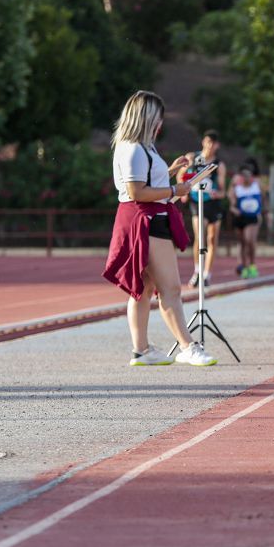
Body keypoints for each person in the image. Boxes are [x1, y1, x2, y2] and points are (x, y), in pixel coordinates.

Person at [102, 90, 217, 367]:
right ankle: (188, 346)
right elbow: (137, 191)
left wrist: (169, 172)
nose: (161, 123)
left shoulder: (139, 147)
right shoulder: (134, 148)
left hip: (143, 216)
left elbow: (142, 185)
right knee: (170, 288)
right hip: (146, 218)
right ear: (148, 118)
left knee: (143, 287)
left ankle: (141, 349)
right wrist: (175, 188)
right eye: (158, 118)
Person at [178, 130, 227, 287]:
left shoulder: (219, 165)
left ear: (217, 145)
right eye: (208, 142)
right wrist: (182, 192)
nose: (210, 146)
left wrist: (216, 194)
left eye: (213, 143)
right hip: (196, 200)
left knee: (212, 239)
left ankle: (207, 274)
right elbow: (180, 175)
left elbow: (222, 191)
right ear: (203, 142)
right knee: (199, 237)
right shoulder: (192, 158)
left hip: (212, 203)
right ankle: (197, 271)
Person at [227, 159, 264, 278]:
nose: (246, 178)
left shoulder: (256, 185)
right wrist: (234, 210)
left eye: (248, 175)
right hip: (240, 218)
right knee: (242, 243)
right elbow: (231, 205)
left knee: (250, 240)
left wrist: (267, 214)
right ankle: (244, 266)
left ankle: (252, 265)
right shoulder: (236, 187)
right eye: (243, 175)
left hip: (253, 217)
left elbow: (264, 199)